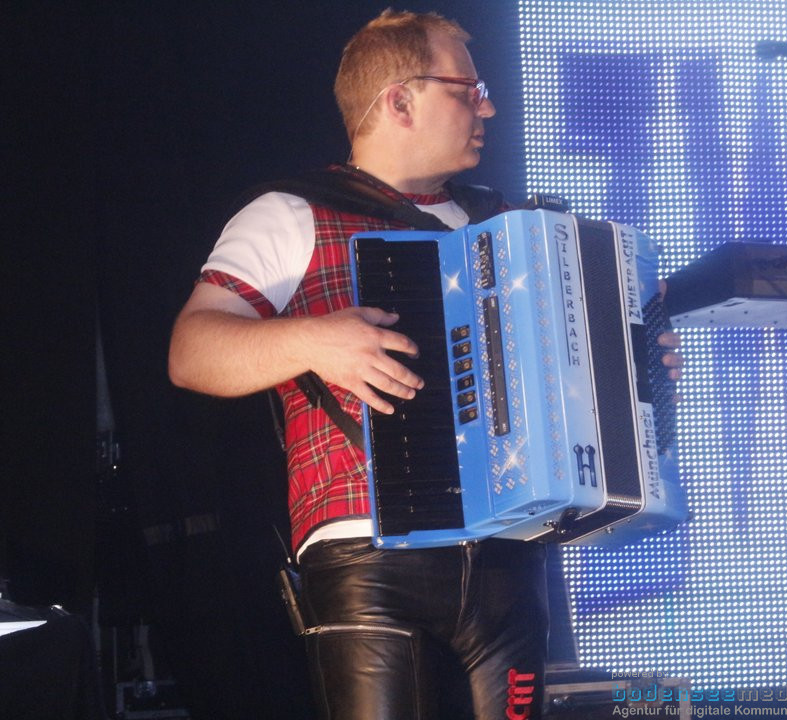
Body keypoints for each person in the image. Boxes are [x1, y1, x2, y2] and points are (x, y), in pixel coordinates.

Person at [169, 8, 681, 720]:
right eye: (467, 90)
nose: (489, 106)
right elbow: (191, 351)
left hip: (511, 555)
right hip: (367, 556)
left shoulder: (508, 225)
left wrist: (634, 368)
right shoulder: (292, 214)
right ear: (398, 100)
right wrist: (313, 340)